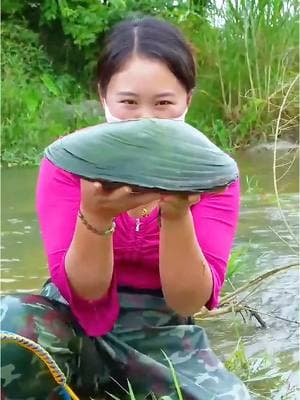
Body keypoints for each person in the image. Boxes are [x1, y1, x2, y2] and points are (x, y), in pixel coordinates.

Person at [1, 16, 250, 400]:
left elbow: (187, 301)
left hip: (163, 334)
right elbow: (85, 290)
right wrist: (97, 215)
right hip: (72, 320)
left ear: (188, 100)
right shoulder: (69, 161)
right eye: (129, 102)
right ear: (104, 97)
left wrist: (177, 213)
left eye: (164, 103)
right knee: (8, 331)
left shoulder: (212, 174)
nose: (145, 120)